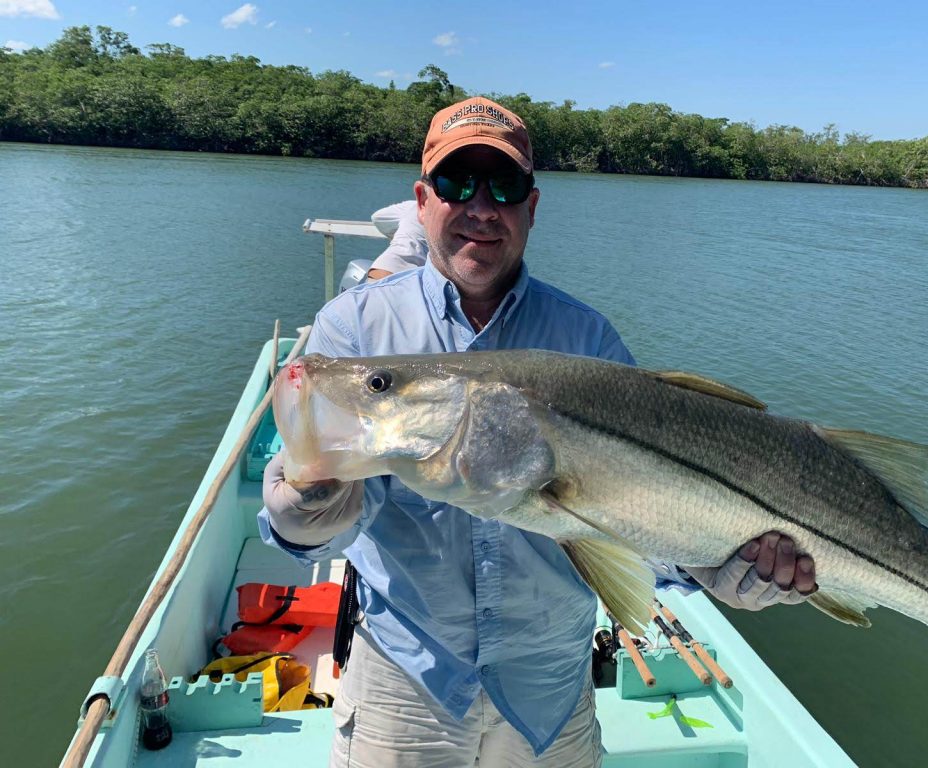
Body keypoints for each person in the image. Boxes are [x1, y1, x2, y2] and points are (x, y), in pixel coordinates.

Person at [260, 96, 817, 768]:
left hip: (551, 691)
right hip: (406, 684)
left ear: (532, 205)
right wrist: (305, 504)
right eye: (456, 182)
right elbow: (318, 534)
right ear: (423, 200)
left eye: (504, 185)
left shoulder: (586, 338)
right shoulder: (354, 330)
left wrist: (717, 569)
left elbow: (632, 516)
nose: (481, 206)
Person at [366, 200, 427, 280]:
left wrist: (398, 236)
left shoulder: (414, 206)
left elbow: (377, 217)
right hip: (415, 278)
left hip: (384, 267)